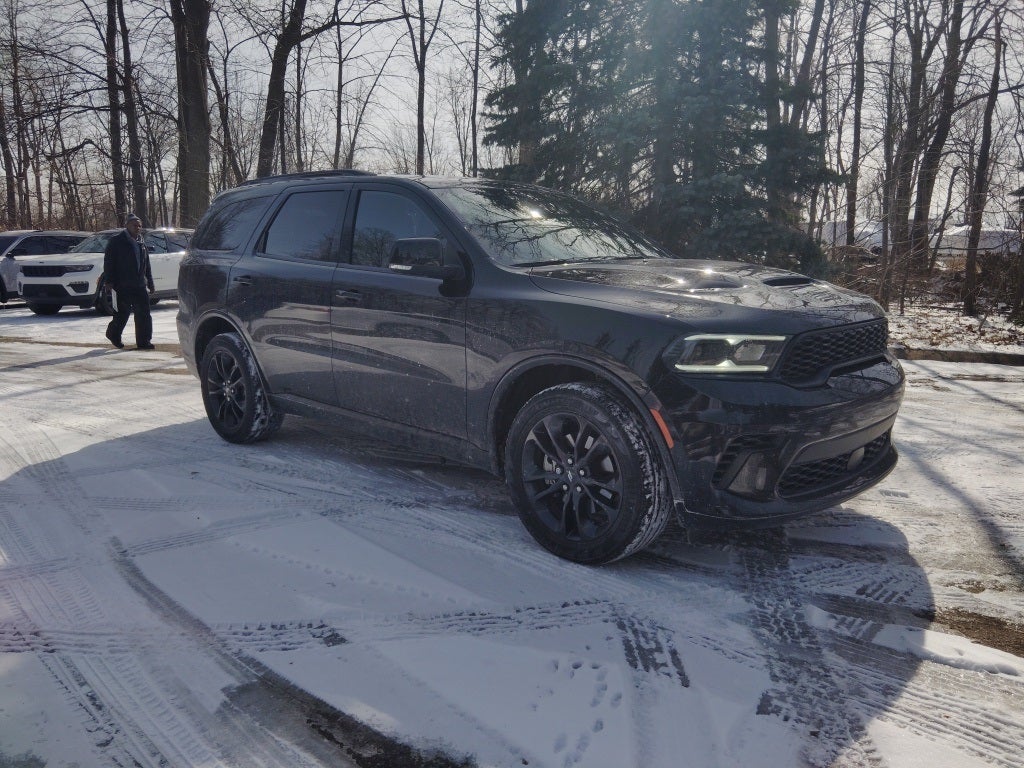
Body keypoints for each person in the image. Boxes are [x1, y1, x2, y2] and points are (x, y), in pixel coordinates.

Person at [103, 213, 155, 350]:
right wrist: (109, 281)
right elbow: (109, 262)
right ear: (127, 225)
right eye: (134, 225)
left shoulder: (141, 242)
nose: (137, 228)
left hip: (139, 284)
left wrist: (150, 282)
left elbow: (146, 264)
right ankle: (113, 333)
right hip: (122, 283)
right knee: (122, 312)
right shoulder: (117, 241)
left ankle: (144, 341)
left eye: (139, 226)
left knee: (144, 313)